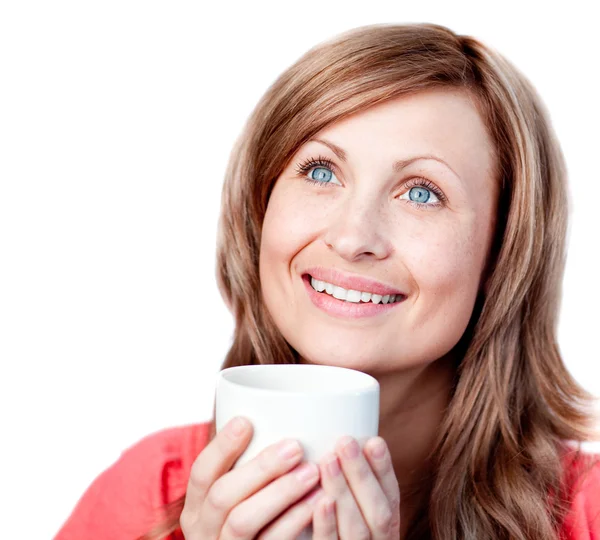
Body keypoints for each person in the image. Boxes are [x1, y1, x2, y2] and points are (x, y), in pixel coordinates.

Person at [55, 22, 600, 540]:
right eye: (321, 171)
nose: (351, 236)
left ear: (501, 254)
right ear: (260, 208)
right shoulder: (149, 492)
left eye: (421, 192)